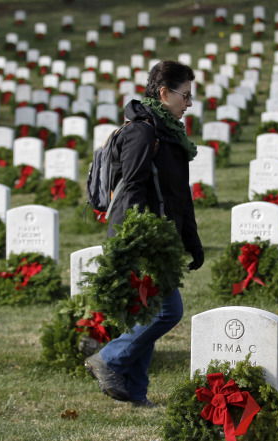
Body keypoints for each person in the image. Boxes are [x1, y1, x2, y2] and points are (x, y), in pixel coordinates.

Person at [85, 60, 204, 408]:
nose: (190, 103)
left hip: (161, 236)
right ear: (165, 93)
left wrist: (191, 241)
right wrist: (138, 241)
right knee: (169, 311)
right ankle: (109, 359)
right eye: (185, 95)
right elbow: (133, 188)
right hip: (140, 236)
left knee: (148, 311)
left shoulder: (170, 134)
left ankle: (135, 393)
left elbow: (180, 194)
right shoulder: (143, 131)